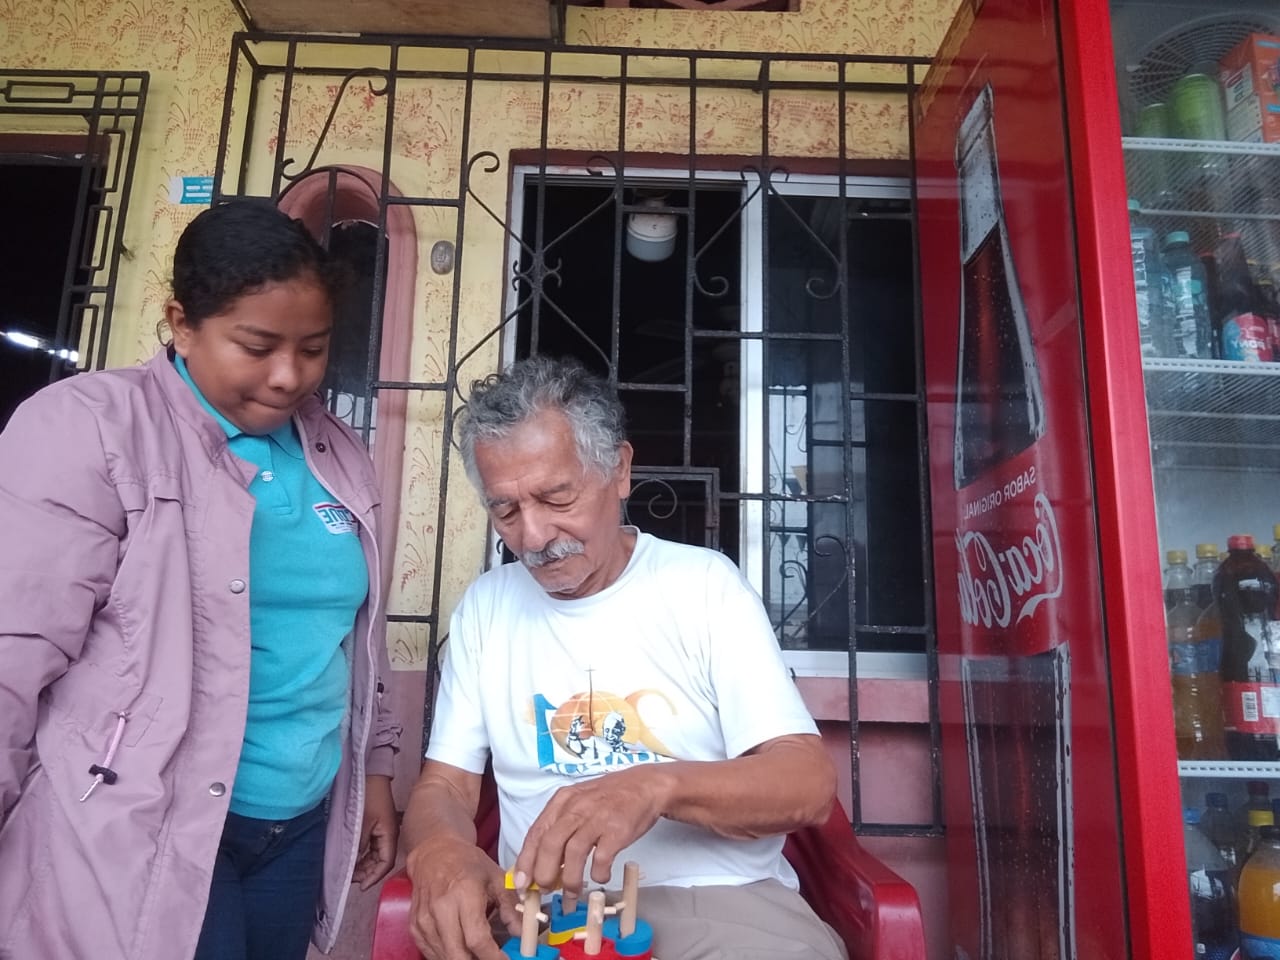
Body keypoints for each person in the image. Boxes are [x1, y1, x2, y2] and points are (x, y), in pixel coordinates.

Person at [0, 199, 402, 960]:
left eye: (313, 349)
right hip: (147, 820)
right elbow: (13, 652)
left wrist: (374, 770)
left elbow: (356, 633)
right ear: (182, 325)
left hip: (298, 821)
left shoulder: (334, 449)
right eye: (257, 346)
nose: (288, 376)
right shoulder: (92, 427)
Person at [402, 355, 845, 960]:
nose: (533, 537)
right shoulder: (486, 607)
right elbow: (446, 787)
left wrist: (655, 787)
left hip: (715, 899)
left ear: (619, 470)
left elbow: (807, 783)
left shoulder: (703, 586)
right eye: (505, 510)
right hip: (543, 915)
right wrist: (439, 850)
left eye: (557, 497)